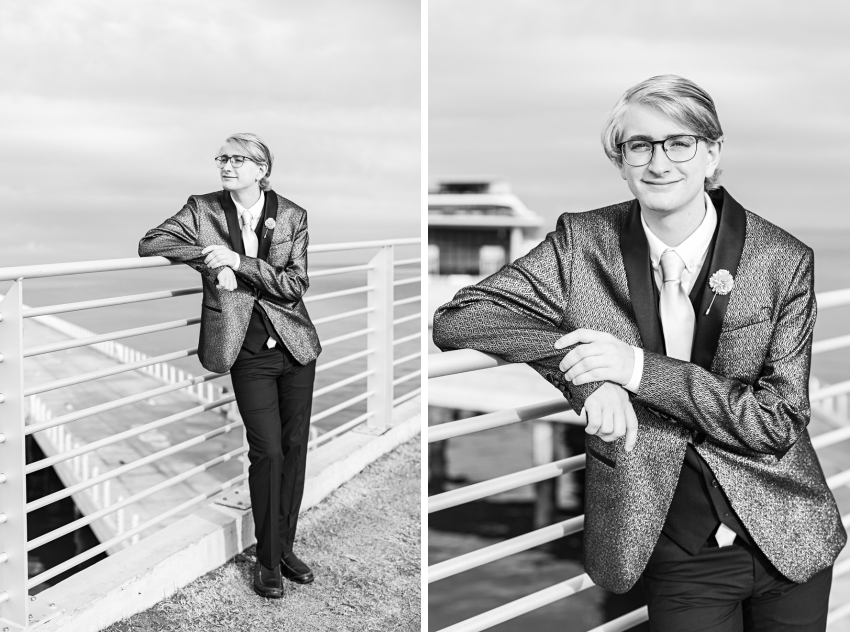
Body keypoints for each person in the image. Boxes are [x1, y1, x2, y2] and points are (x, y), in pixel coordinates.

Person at [432, 76, 846, 630]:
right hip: (676, 545)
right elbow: (460, 317)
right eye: (640, 145)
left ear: (711, 152)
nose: (660, 162)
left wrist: (634, 369)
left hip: (790, 535)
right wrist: (587, 375)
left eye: (680, 143)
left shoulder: (782, 259)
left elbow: (774, 421)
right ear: (621, 158)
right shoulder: (583, 243)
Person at [138, 132, 322, 599]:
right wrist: (209, 259)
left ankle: (284, 546)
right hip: (246, 352)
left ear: (262, 169)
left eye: (238, 159)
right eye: (223, 157)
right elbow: (151, 241)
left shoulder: (293, 215)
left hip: (296, 347)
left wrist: (238, 262)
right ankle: (266, 558)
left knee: (295, 448)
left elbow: (294, 284)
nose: (227, 165)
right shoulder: (203, 208)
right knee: (268, 452)